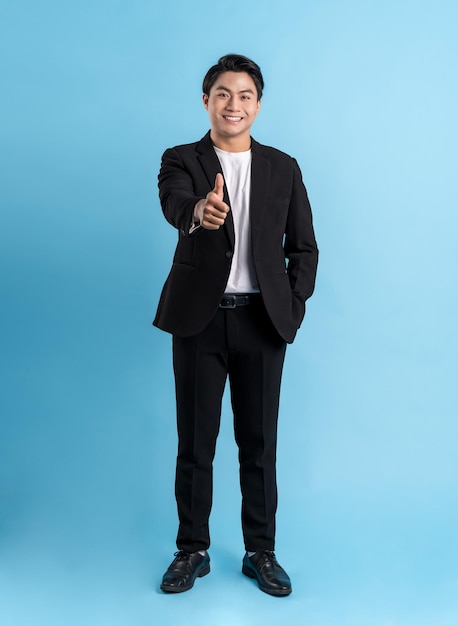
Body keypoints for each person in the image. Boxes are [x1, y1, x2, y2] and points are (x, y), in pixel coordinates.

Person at [154, 54, 318, 597]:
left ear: (258, 104)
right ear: (206, 101)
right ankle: (191, 550)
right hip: (199, 322)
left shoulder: (283, 167)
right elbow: (175, 204)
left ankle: (261, 551)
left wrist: (290, 309)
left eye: (245, 95)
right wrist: (199, 212)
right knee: (195, 443)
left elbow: (304, 249)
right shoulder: (180, 159)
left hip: (263, 323)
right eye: (223, 93)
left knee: (259, 443)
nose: (234, 104)